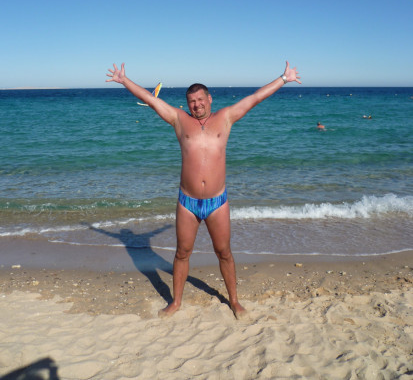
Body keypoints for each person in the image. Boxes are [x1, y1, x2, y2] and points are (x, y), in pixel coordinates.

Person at [106, 61, 301, 318]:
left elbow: (255, 98)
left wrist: (283, 79)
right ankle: (176, 302)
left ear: (209, 99)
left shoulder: (225, 118)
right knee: (182, 253)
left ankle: (234, 301)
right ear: (187, 104)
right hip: (187, 201)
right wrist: (124, 81)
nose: (196, 105)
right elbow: (150, 100)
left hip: (217, 201)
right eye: (192, 102)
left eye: (200, 100)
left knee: (224, 252)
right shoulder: (179, 119)